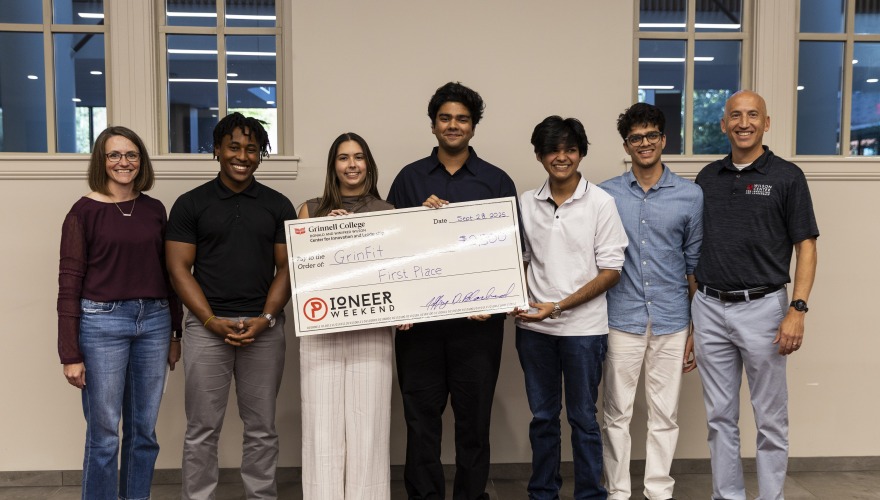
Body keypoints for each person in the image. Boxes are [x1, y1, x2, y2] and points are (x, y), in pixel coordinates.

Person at [386, 82, 518, 500]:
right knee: (420, 423)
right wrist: (417, 220)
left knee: (474, 424)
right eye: (445, 118)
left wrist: (495, 303)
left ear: (473, 127)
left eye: (462, 119)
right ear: (433, 125)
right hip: (420, 329)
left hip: (477, 328)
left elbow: (509, 252)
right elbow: (389, 249)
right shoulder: (408, 179)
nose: (453, 125)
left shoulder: (496, 181)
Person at [692, 90, 818, 500]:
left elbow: (806, 246)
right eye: (735, 115)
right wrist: (692, 314)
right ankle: (727, 496)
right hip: (709, 308)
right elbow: (693, 248)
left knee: (770, 419)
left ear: (766, 123)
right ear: (723, 124)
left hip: (764, 309)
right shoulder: (707, 178)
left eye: (752, 115)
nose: (743, 123)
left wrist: (797, 309)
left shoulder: (787, 176)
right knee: (719, 417)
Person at [166, 113, 296, 499]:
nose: (242, 156)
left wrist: (266, 318)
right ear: (218, 150)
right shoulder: (191, 204)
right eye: (234, 147)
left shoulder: (277, 205)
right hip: (206, 329)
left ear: (260, 154)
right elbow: (178, 269)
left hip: (263, 330)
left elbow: (288, 267)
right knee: (202, 429)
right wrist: (209, 320)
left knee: (262, 428)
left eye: (251, 149)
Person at [57, 126, 183, 500]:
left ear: (141, 161)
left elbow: (169, 274)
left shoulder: (154, 210)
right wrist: (69, 353)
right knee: (104, 434)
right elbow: (69, 284)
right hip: (102, 322)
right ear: (102, 160)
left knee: (144, 431)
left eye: (131, 154)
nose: (123, 162)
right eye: (114, 154)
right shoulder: (82, 212)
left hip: (155, 321)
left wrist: (175, 333)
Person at [513, 116, 628, 500]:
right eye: (553, 150)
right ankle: (542, 493)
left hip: (584, 332)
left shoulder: (601, 203)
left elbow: (611, 271)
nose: (561, 157)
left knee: (583, 419)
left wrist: (558, 306)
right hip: (534, 330)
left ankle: (590, 495)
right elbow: (517, 261)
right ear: (539, 155)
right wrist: (514, 298)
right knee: (543, 418)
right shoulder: (525, 203)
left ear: (580, 154)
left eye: (570, 150)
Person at [599, 103, 703, 500]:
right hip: (620, 317)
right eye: (636, 138)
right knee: (616, 414)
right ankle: (617, 491)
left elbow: (693, 265)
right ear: (626, 145)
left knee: (665, 414)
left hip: (672, 319)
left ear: (663, 139)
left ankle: (659, 491)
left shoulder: (690, 196)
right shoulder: (605, 194)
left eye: (651, 136)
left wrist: (695, 329)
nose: (644, 143)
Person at [298, 132, 408, 499]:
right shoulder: (310, 210)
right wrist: (326, 232)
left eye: (358, 157)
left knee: (369, 425)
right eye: (343, 158)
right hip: (321, 331)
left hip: (371, 330)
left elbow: (397, 273)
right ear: (333, 166)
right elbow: (300, 274)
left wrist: (405, 308)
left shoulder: (388, 212)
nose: (352, 165)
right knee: (321, 426)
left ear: (369, 164)